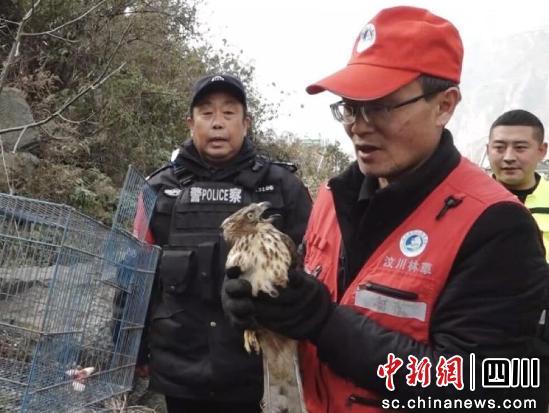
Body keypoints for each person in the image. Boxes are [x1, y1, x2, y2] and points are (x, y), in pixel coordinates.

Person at [222, 6, 549, 412]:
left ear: (444, 105)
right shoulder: (332, 197)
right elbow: (304, 295)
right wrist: (259, 304)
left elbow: (479, 387)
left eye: (380, 106)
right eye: (350, 106)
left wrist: (325, 323)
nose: (359, 125)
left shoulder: (496, 226)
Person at [139, 73, 312, 413]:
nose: (217, 123)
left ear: (246, 123)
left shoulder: (284, 187)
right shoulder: (157, 189)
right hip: (180, 371)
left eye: (229, 113)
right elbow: (134, 278)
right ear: (191, 123)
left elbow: (317, 270)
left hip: (260, 371)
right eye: (206, 113)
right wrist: (131, 349)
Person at [487, 109, 549, 259]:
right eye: (499, 148)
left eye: (520, 148)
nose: (508, 157)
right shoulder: (465, 201)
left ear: (541, 151)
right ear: (488, 150)